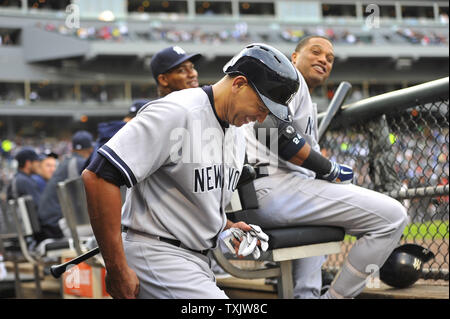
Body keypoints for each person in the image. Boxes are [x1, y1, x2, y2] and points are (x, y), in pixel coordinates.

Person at [82, 43, 338, 299]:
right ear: (239, 84)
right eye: (262, 107)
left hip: (196, 261)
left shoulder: (236, 131)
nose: (261, 119)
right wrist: (116, 268)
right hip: (157, 254)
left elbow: (188, 197)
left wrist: (226, 226)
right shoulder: (177, 111)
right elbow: (98, 176)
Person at [242, 36, 408, 299]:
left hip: (271, 193)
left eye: (330, 59)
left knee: (307, 284)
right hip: (273, 188)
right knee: (392, 217)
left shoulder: (302, 97)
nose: (324, 60)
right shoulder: (288, 80)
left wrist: (329, 170)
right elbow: (272, 134)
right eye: (316, 52)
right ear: (294, 58)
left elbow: (305, 154)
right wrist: (329, 168)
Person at [37, 131, 94, 242]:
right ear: (90, 149)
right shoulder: (78, 162)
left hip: (49, 222)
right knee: (106, 227)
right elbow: (80, 201)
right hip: (56, 224)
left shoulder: (68, 161)